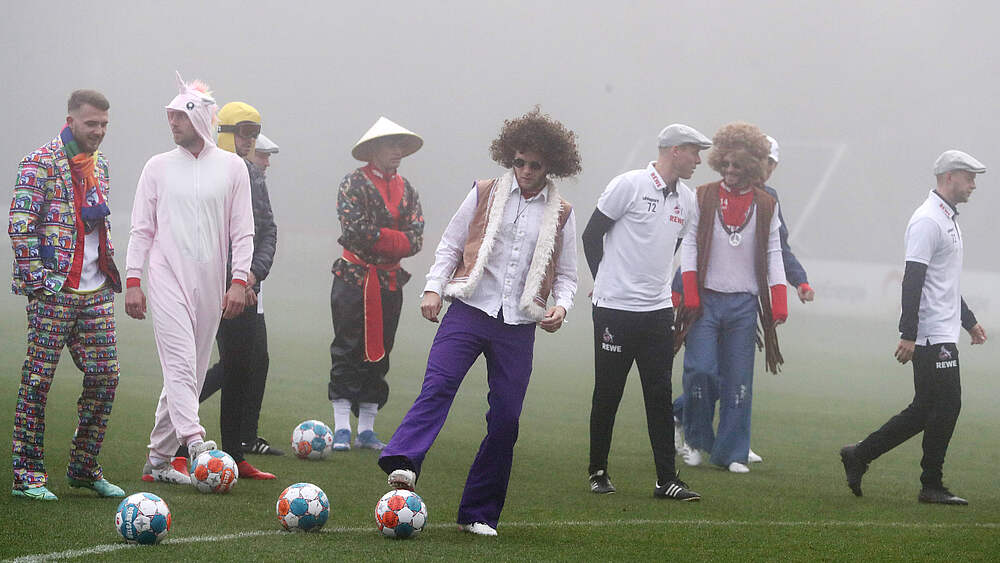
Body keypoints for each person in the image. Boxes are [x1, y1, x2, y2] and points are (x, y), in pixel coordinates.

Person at [378, 108, 580, 537]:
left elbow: (566, 274)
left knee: (506, 420)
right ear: (510, 158)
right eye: (519, 162)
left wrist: (561, 306)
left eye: (535, 165)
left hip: (519, 325)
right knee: (439, 385)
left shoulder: (562, 212)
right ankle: (403, 462)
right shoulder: (484, 192)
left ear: (552, 167)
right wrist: (434, 288)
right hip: (469, 311)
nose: (525, 171)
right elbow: (451, 245)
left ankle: (479, 513)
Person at [125, 73, 254, 484]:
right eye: (170, 117)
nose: (173, 123)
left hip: (213, 280)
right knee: (180, 362)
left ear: (200, 118)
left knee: (191, 372)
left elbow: (242, 229)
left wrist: (239, 280)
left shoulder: (233, 168)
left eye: (180, 115)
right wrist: (133, 279)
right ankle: (195, 442)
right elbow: (141, 228)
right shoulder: (157, 168)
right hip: (165, 277)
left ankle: (159, 461)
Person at [840, 150, 988, 505]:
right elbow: (913, 279)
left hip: (943, 330)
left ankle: (860, 455)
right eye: (969, 177)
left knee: (925, 408)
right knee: (947, 405)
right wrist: (908, 333)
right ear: (949, 176)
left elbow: (944, 282)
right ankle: (930, 484)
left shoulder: (947, 218)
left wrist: (968, 321)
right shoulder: (928, 220)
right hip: (930, 334)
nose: (973, 184)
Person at [580, 124, 708, 501]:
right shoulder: (629, 185)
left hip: (657, 312)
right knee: (608, 393)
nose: (699, 160)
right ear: (673, 151)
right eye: (694, 152)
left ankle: (666, 479)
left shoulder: (687, 200)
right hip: (614, 310)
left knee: (659, 394)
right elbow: (591, 236)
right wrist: (605, 280)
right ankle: (598, 471)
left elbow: (673, 247)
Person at [8, 90, 124, 501]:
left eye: (104, 125)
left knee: (106, 377)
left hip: (95, 291)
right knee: (37, 382)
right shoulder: (39, 162)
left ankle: (84, 468)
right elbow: (20, 224)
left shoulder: (101, 166)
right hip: (54, 292)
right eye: (92, 124)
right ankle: (26, 475)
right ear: (71, 120)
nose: (99, 132)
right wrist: (39, 282)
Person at [672, 134, 813, 464]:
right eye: (726, 163)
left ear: (753, 166)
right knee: (700, 372)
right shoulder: (703, 196)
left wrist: (782, 297)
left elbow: (775, 251)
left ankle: (732, 451)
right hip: (705, 302)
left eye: (738, 164)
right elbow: (690, 246)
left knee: (738, 381)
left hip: (744, 303)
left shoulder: (767, 204)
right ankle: (694, 439)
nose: (730, 170)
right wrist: (687, 291)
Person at [172, 101, 278, 478]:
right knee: (192, 368)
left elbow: (266, 231)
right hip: (201, 284)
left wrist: (249, 276)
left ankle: (234, 453)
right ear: (221, 132)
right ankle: (178, 450)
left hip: (241, 288)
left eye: (253, 132)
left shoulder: (252, 174)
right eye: (242, 132)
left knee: (241, 367)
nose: (249, 140)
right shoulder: (198, 169)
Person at [329, 117, 424, 451]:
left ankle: (367, 427)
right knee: (347, 346)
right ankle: (341, 425)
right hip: (354, 278)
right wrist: (394, 239)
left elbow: (417, 239)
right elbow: (354, 230)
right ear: (373, 149)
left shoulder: (408, 189)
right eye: (390, 145)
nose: (397, 152)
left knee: (382, 350)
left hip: (389, 282)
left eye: (400, 146)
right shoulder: (352, 184)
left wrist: (382, 239)